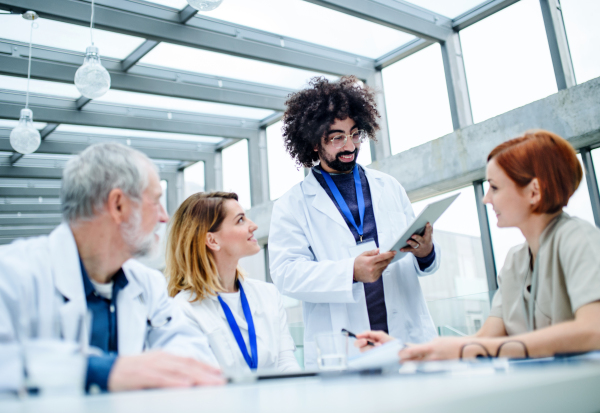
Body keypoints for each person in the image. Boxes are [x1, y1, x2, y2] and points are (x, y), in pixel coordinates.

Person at [355, 130, 600, 360]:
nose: (486, 198)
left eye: (494, 187)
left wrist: (477, 348)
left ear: (534, 192)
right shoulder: (516, 260)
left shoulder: (578, 239)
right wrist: (402, 349)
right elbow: (484, 339)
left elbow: (594, 330)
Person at [0, 143, 224, 393]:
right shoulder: (11, 273)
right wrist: (97, 371)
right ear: (118, 205)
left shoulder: (147, 284)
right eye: (156, 202)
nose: (164, 217)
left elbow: (193, 354)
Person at [268, 76, 441, 368]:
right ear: (313, 143)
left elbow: (418, 260)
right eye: (336, 137)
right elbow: (286, 274)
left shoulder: (389, 186)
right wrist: (350, 271)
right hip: (343, 345)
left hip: (405, 338)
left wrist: (425, 252)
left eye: (355, 133)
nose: (349, 145)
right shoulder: (292, 205)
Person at [166, 192, 299, 374]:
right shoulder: (183, 310)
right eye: (240, 220)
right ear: (212, 240)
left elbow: (287, 364)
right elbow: (202, 384)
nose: (253, 225)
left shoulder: (268, 294)